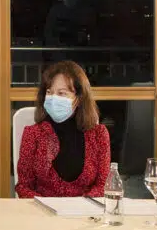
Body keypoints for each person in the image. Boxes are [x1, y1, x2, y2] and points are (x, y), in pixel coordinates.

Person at [15, 60, 110, 198]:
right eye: (49, 92)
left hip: (85, 209)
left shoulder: (99, 134)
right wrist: (45, 205)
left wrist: (81, 205)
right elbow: (23, 187)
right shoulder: (33, 134)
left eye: (61, 93)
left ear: (79, 98)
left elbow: (102, 186)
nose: (53, 98)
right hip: (41, 209)